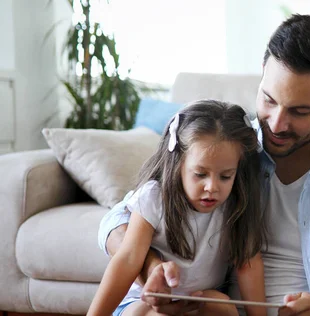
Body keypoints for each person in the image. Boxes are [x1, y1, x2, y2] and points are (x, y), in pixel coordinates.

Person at [98, 14, 310, 316]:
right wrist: (153, 268)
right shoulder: (232, 147)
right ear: (262, 72)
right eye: (269, 99)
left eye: (300, 111)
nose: (277, 125)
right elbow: (118, 219)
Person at [89, 100, 267, 316]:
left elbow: (248, 263)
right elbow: (127, 259)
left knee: (221, 304)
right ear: (178, 164)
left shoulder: (236, 203)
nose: (212, 187)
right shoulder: (154, 197)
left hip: (201, 297)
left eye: (225, 176)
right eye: (200, 174)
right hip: (144, 302)